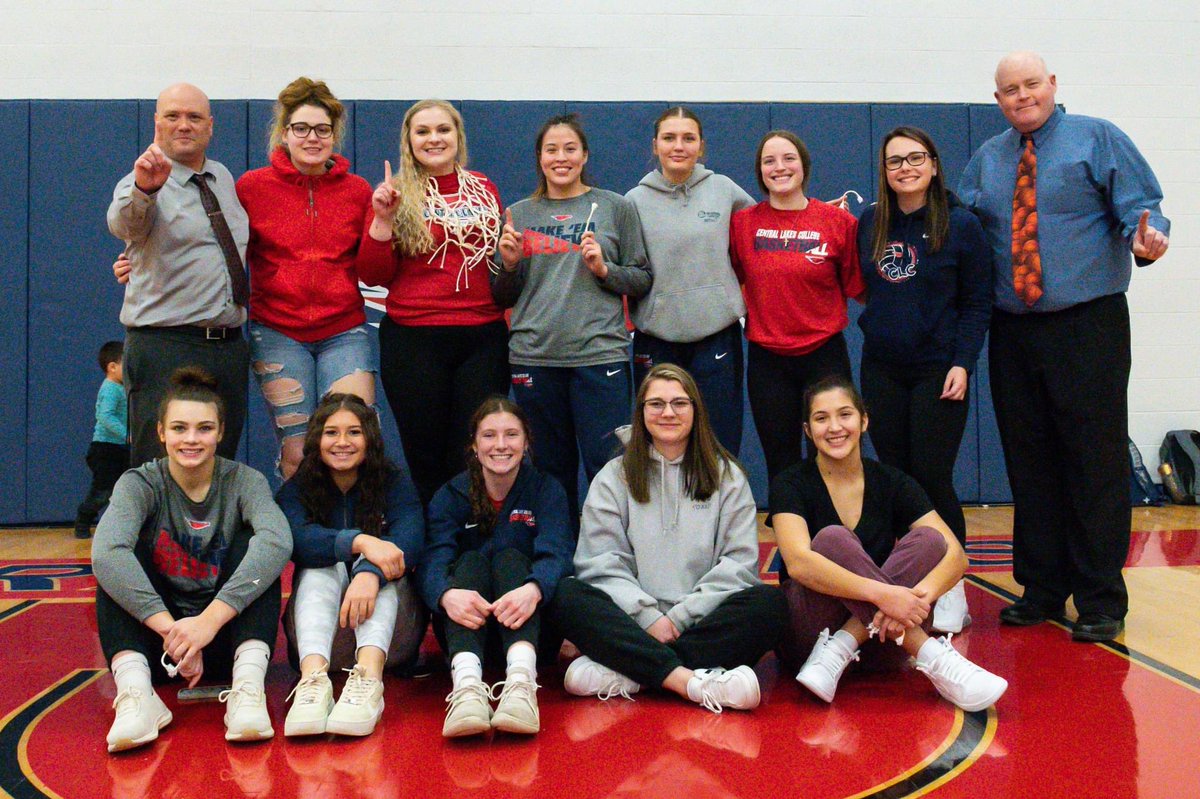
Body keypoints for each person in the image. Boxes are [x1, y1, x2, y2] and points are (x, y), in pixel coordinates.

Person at [958, 51, 1170, 642]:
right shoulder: (988, 158)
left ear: (1052, 84)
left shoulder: (1098, 139)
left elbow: (1142, 214)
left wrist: (1149, 242)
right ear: (997, 99)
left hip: (1089, 323)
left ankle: (1102, 598)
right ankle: (1044, 588)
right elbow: (967, 231)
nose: (1022, 96)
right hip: (1014, 328)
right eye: (1009, 90)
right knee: (1029, 459)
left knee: (1094, 461)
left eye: (1031, 84)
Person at [548, 364, 788, 713]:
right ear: (642, 411)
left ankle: (632, 673)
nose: (668, 413)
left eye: (679, 403)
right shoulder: (613, 476)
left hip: (698, 621)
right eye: (656, 404)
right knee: (567, 596)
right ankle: (694, 682)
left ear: (695, 410)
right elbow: (599, 562)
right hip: (632, 621)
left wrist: (678, 619)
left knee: (770, 605)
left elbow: (738, 565)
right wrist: (648, 617)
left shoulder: (728, 476)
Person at [770, 375, 1007, 711]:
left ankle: (845, 643)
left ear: (864, 420)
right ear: (808, 430)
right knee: (832, 539)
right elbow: (798, 563)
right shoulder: (791, 483)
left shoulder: (892, 481)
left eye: (845, 414)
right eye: (821, 418)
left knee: (929, 539)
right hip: (810, 641)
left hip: (886, 641)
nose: (835, 427)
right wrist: (886, 595)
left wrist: (913, 602)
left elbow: (956, 557)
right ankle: (930, 654)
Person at [92, 367, 292, 752]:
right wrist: (176, 634)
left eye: (204, 428)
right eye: (180, 428)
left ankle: (247, 689)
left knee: (257, 546)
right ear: (161, 433)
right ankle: (137, 695)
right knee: (117, 555)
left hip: (224, 638)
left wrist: (209, 622)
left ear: (220, 432)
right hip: (162, 647)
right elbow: (106, 554)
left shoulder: (244, 481)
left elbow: (278, 542)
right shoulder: (140, 484)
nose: (191, 439)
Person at [857, 126, 993, 633]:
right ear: (885, 172)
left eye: (916, 158)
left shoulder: (962, 226)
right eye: (895, 161)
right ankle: (902, 584)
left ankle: (950, 587)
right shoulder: (871, 221)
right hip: (882, 368)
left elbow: (977, 303)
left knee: (932, 476)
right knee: (896, 477)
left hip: (939, 369)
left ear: (934, 165)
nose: (905, 168)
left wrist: (963, 361)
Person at [493, 113, 651, 525]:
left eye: (570, 149)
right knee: (548, 471)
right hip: (535, 358)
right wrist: (508, 266)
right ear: (539, 158)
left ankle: (612, 555)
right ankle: (556, 557)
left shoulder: (616, 207)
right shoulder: (518, 213)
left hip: (599, 357)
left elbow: (641, 278)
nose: (561, 158)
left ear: (584, 156)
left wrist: (605, 270)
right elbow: (501, 296)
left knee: (611, 467)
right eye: (551, 150)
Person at [356, 99, 508, 506]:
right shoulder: (395, 193)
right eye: (422, 131)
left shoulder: (485, 188)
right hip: (414, 339)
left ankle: (470, 541)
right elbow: (372, 276)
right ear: (409, 141)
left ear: (458, 136)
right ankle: (434, 547)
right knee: (425, 454)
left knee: (475, 450)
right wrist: (383, 221)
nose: (434, 138)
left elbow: (498, 264)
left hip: (482, 336)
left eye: (443, 129)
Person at [235, 77, 376, 479]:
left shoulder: (357, 190)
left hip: (343, 331)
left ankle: (356, 536)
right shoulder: (252, 187)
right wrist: (141, 260)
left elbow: (371, 265)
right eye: (301, 128)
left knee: (352, 443)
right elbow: (220, 250)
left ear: (335, 135)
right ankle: (294, 540)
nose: (312, 138)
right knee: (297, 453)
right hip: (278, 332)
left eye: (322, 129)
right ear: (284, 134)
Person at [107, 83, 250, 468]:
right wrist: (143, 189)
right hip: (164, 345)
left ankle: (211, 532)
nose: (183, 125)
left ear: (210, 126)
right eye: (173, 116)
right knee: (160, 466)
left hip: (228, 346)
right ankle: (160, 533)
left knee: (222, 463)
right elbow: (125, 223)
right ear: (157, 123)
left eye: (194, 117)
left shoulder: (222, 177)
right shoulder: (144, 179)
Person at [422, 396, 573, 737]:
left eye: (511, 435)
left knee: (509, 560)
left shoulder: (546, 490)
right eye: (489, 436)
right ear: (474, 445)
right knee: (473, 561)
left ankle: (521, 685)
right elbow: (433, 560)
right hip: (466, 627)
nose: (501, 445)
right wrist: (446, 597)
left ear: (526, 442)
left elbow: (558, 553)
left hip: (531, 630)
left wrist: (533, 590)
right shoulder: (450, 495)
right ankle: (466, 688)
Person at [275, 393, 424, 737]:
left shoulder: (394, 482)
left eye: (354, 432)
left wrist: (370, 573)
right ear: (317, 439)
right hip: (318, 642)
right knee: (318, 565)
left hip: (390, 643)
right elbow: (294, 540)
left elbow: (411, 541)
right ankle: (313, 686)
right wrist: (360, 541)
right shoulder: (298, 489)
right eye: (331, 433)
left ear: (370, 438)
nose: (342, 442)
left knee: (382, 567)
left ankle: (369, 683)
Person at [730, 130, 865, 484]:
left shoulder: (839, 223)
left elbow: (860, 287)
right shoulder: (743, 224)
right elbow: (734, 278)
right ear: (759, 172)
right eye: (769, 161)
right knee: (781, 460)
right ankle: (791, 539)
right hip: (768, 360)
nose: (780, 167)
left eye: (788, 158)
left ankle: (838, 536)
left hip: (824, 355)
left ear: (803, 165)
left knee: (835, 453)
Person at [626, 106, 755, 455]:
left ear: (701, 147)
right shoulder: (634, 201)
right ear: (655, 145)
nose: (678, 146)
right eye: (669, 138)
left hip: (716, 335)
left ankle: (719, 509)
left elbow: (761, 232)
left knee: (720, 437)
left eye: (688, 138)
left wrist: (806, 214)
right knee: (660, 439)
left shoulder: (725, 190)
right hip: (656, 338)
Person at [74, 340, 130, 539]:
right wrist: (126, 435)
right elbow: (105, 417)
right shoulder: (110, 389)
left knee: (124, 489)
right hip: (106, 449)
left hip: (120, 448)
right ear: (112, 367)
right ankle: (83, 519)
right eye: (127, 364)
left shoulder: (122, 388)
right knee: (103, 491)